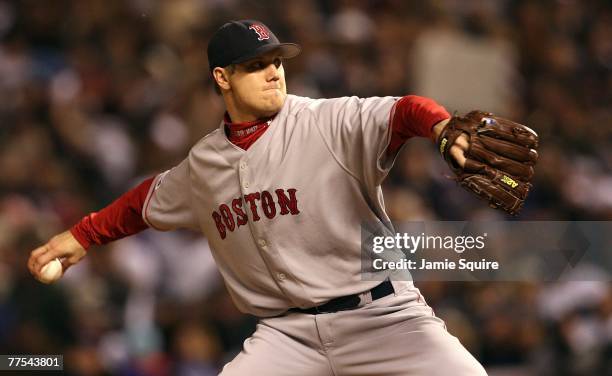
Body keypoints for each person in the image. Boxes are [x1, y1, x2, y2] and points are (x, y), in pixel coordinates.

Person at [28, 20, 486, 375]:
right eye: (256, 65)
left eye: (276, 62)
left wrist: (441, 127)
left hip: (384, 318)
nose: (273, 73)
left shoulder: (327, 122)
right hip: (287, 336)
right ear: (222, 78)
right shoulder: (204, 163)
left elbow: (403, 111)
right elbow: (146, 201)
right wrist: (82, 235)